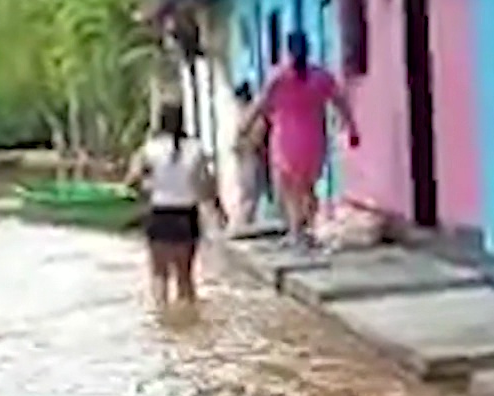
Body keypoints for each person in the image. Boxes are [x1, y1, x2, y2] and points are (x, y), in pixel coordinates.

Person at [242, 30, 359, 250]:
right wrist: (352, 129)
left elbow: (260, 104)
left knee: (289, 189)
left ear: (288, 50)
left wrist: (244, 127)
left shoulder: (278, 77)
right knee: (308, 187)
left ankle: (297, 232)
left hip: (286, 139)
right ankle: (307, 230)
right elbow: (340, 102)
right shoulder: (321, 77)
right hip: (313, 138)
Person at [125, 101, 225, 308]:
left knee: (159, 275)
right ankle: (187, 323)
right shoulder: (196, 149)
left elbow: (131, 181)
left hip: (160, 214)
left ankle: (163, 321)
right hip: (186, 216)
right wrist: (219, 211)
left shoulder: (149, 149)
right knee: (185, 277)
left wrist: (149, 189)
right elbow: (207, 186)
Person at [231, 82, 268, 227]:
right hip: (247, 156)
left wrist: (244, 145)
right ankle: (245, 223)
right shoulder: (245, 113)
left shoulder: (252, 114)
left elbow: (257, 135)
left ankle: (244, 223)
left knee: (250, 192)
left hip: (251, 156)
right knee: (248, 192)